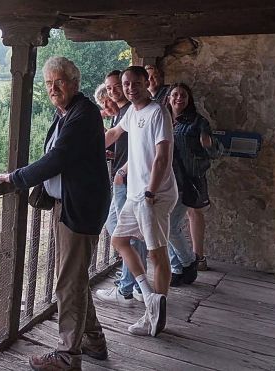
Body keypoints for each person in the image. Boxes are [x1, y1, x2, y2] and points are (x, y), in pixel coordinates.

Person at [0, 56, 110, 370]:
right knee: (74, 278)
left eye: (59, 81)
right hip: (69, 205)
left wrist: (17, 177)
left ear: (75, 83)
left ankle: (67, 357)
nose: (53, 88)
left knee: (68, 282)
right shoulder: (68, 113)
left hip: (79, 208)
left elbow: (59, 157)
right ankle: (94, 340)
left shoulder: (83, 115)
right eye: (48, 83)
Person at [104, 66, 176, 337]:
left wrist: (151, 191)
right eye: (126, 84)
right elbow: (113, 136)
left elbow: (162, 155)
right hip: (136, 193)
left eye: (136, 83)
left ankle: (153, 316)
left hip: (152, 195)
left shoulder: (157, 112)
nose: (130, 88)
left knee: (157, 253)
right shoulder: (131, 113)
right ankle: (149, 298)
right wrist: (83, 149)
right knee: (119, 241)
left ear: (147, 83)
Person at [96, 70, 149, 307]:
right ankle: (136, 284)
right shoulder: (123, 115)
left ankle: (127, 286)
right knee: (122, 231)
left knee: (126, 234)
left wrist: (121, 172)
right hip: (125, 179)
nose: (114, 90)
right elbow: (114, 137)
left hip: (128, 181)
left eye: (118, 85)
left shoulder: (135, 111)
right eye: (110, 88)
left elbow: (146, 149)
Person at [167, 82, 213, 272]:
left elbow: (212, 151)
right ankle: (177, 265)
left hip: (187, 180)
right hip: (165, 179)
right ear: (168, 98)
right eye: (175, 94)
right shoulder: (161, 118)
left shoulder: (198, 121)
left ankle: (192, 260)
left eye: (183, 95)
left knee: (172, 224)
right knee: (167, 223)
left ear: (189, 99)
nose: (179, 98)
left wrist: (208, 144)